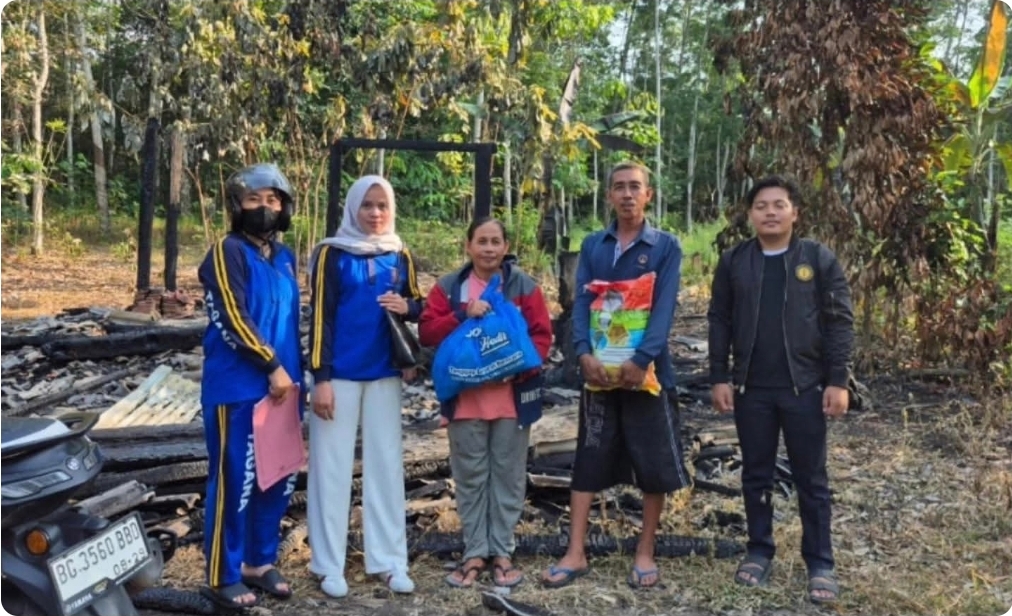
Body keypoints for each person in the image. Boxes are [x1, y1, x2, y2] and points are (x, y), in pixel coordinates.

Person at [542, 161, 690, 590]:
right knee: (589, 458)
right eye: (619, 187)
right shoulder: (594, 245)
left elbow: (664, 308)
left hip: (646, 375)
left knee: (653, 462)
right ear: (609, 196)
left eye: (635, 188)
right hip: (598, 374)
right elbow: (582, 303)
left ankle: (645, 552)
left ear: (649, 195)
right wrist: (583, 353)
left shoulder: (665, 246)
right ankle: (575, 551)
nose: (627, 194)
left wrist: (642, 359)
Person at [707, 174, 854, 605]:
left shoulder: (817, 258)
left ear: (795, 212)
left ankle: (820, 562)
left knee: (812, 478)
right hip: (752, 389)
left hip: (805, 388)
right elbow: (719, 319)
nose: (770, 212)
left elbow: (839, 322)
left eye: (778, 205)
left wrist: (837, 380)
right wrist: (719, 376)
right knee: (756, 474)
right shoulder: (735, 261)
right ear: (750, 215)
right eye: (761, 206)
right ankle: (759, 550)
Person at [418, 217, 553, 589]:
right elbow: (427, 331)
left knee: (508, 477)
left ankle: (503, 552)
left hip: (511, 401)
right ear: (469, 246)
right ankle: (475, 551)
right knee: (471, 477)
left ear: (506, 246)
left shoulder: (523, 286)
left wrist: (522, 368)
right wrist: (464, 313)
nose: (489, 249)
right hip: (464, 403)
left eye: (496, 241)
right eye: (482, 241)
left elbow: (542, 335)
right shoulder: (450, 287)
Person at [306, 175, 424, 598]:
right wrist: (320, 378)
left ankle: (390, 560)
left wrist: (408, 307)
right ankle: (327, 563)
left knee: (387, 466)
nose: (376, 214)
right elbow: (321, 317)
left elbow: (418, 304)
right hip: (338, 374)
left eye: (383, 205)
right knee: (331, 468)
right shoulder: (332, 254)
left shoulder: (399, 253)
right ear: (353, 208)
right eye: (367, 205)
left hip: (384, 374)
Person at [197, 163, 303, 610]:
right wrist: (271, 365)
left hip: (283, 386)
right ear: (237, 205)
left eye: (273, 200)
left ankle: (259, 562)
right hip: (239, 385)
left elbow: (291, 319)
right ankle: (222, 573)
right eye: (254, 199)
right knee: (234, 479)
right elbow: (233, 319)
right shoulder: (227, 252)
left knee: (275, 477)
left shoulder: (284, 256)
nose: (264, 207)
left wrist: (295, 374)